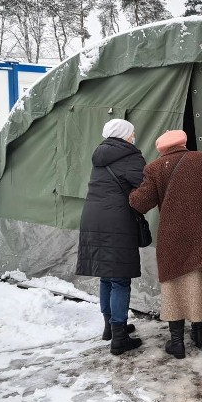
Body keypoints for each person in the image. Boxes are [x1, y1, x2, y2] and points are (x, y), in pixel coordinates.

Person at [129, 129, 202, 359]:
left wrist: (129, 191)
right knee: (200, 281)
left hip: (175, 236)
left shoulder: (154, 168)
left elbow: (140, 203)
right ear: (183, 143)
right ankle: (199, 334)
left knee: (175, 285)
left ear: (161, 148)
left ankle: (177, 343)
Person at [75, 118, 145, 355]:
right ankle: (119, 338)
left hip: (92, 217)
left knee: (106, 276)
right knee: (120, 279)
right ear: (125, 135)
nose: (134, 136)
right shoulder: (130, 156)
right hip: (116, 221)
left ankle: (110, 327)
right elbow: (144, 186)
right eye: (132, 132)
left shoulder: (100, 155)